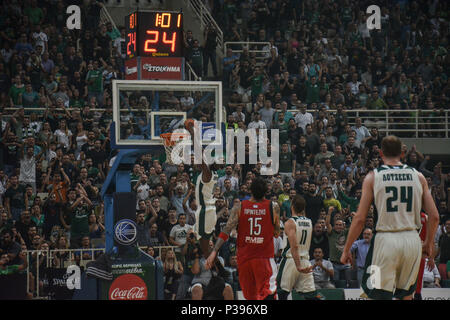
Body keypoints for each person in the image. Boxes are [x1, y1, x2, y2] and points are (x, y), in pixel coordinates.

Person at [340, 135, 439, 300]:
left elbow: (359, 219)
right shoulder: (419, 177)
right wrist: (428, 243)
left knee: (374, 294)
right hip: (412, 241)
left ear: (380, 153)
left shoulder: (373, 176)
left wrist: (346, 249)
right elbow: (434, 216)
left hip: (385, 241)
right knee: (407, 296)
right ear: (402, 153)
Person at [205, 177, 280, 300]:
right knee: (269, 293)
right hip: (264, 258)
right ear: (266, 191)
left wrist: (214, 252)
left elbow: (226, 231)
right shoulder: (273, 207)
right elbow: (276, 233)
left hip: (244, 260)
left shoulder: (239, 207)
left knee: (251, 297)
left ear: (250, 191)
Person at [277, 195, 323, 300]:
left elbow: (294, 246)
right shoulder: (309, 222)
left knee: (281, 292)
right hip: (305, 260)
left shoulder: (290, 222)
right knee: (311, 294)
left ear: (291, 206)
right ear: (303, 208)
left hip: (291, 260)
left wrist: (298, 266)